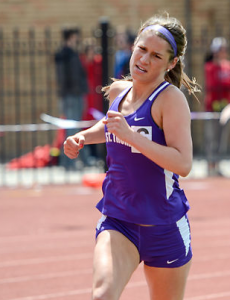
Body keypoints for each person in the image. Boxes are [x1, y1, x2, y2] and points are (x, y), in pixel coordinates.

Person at [64, 13, 200, 300]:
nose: (144, 59)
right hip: (119, 220)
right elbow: (110, 125)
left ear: (171, 63)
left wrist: (131, 136)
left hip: (163, 225)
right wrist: (83, 137)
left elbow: (183, 163)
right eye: (142, 49)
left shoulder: (170, 99)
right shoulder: (118, 91)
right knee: (103, 295)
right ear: (134, 45)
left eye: (156, 55)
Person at [54, 27, 88, 169]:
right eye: (75, 36)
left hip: (76, 94)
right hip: (70, 95)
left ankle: (76, 160)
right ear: (70, 37)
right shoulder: (64, 54)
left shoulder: (72, 53)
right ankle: (68, 162)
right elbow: (62, 76)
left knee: (76, 127)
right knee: (71, 129)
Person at [204, 37, 230, 176]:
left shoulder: (228, 66)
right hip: (212, 108)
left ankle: (218, 165)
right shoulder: (210, 67)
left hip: (225, 108)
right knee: (211, 138)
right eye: (220, 50)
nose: (222, 52)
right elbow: (213, 84)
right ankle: (210, 166)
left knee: (222, 138)